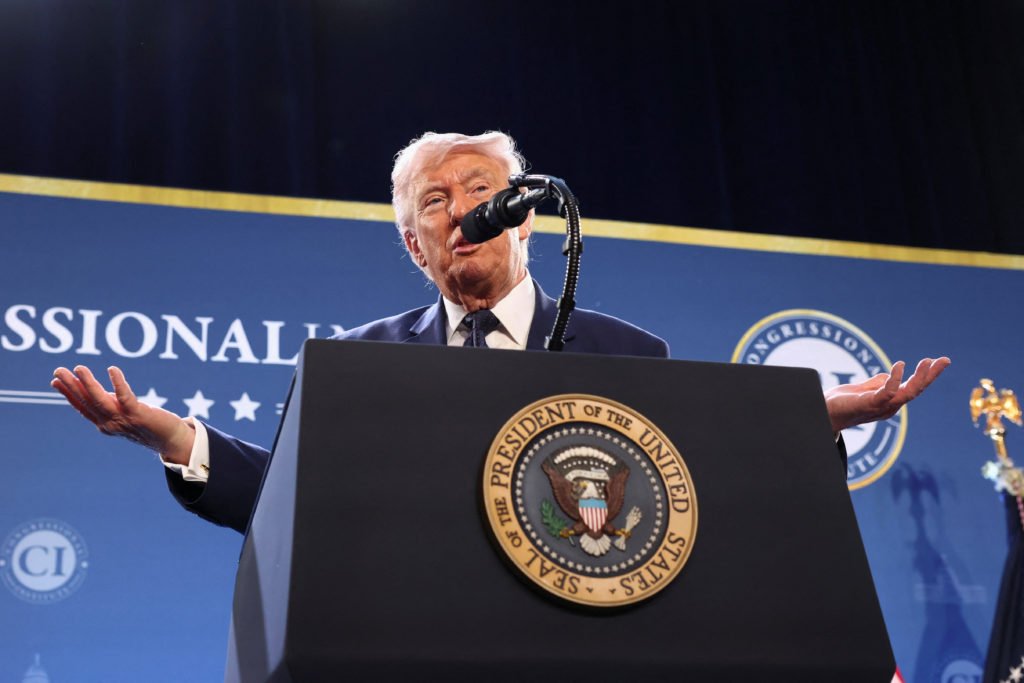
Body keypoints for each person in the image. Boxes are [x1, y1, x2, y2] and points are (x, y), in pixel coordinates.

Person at [50, 131, 951, 534]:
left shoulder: (628, 355)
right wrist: (168, 434)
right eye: (435, 203)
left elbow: (696, 477)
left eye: (483, 194)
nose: (460, 213)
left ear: (525, 221)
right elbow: (288, 499)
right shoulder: (357, 363)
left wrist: (810, 418)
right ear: (414, 245)